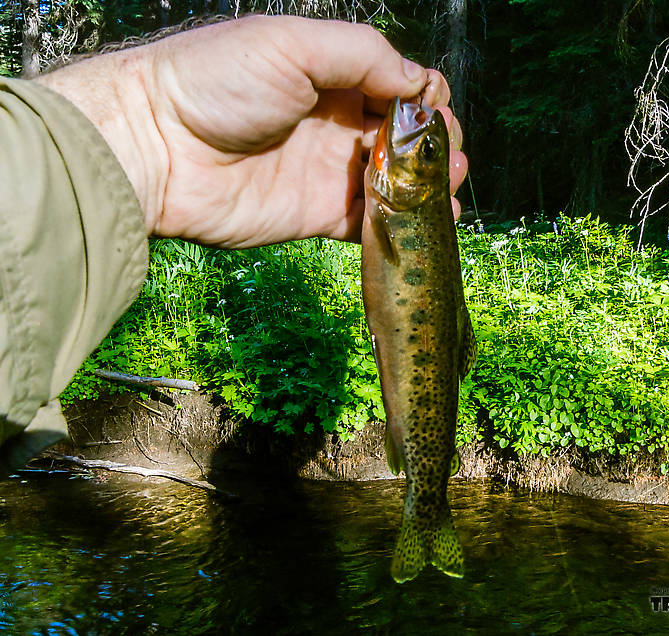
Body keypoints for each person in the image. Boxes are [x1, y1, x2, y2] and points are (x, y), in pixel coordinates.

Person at [0, 15, 468, 475]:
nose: (419, 136)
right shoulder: (386, 198)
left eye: (427, 153)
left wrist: (146, 121)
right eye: (430, 151)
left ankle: (425, 495)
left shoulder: (390, 201)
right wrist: (148, 119)